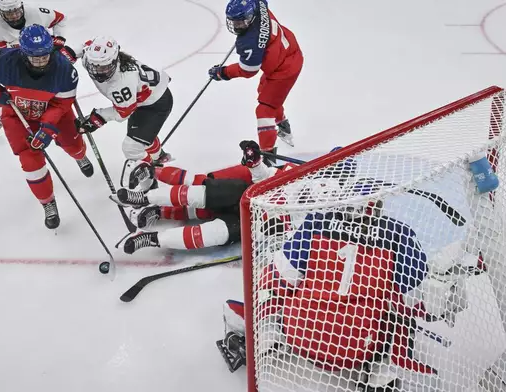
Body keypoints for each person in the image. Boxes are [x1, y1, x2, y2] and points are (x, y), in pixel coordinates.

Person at [216, 181, 474, 390]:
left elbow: (283, 277)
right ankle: (381, 371)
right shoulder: (400, 234)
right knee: (401, 314)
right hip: (360, 346)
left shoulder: (315, 222)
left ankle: (266, 334)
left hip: (299, 335)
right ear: (377, 207)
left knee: (272, 284)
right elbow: (413, 298)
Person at [110, 140, 340, 254]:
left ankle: (153, 237)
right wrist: (255, 162)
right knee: (202, 187)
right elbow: (265, 177)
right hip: (243, 194)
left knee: (213, 233)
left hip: (250, 223)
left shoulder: (316, 221)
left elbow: (285, 245)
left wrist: (268, 233)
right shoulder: (296, 175)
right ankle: (146, 195)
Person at [0, 24, 93, 230]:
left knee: (72, 142)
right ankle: (48, 202)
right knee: (30, 160)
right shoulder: (4, 61)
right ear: (23, 52)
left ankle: (79, 156)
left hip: (52, 111)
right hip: (17, 114)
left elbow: (62, 105)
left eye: (44, 55)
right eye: (34, 57)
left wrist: (47, 128)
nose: (40, 61)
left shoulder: (65, 71)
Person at [208, 0, 303, 151]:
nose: (236, 26)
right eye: (234, 22)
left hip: (285, 69)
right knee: (265, 94)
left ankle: (268, 154)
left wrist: (223, 72)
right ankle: (283, 125)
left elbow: (248, 70)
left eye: (241, 22)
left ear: (251, 17)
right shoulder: (257, 4)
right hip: (287, 52)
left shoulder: (250, 42)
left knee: (264, 109)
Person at [77, 36, 174, 167]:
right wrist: (68, 53)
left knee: (132, 147)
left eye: (104, 67)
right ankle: (158, 156)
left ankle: (152, 174)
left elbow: (123, 113)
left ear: (114, 61)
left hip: (155, 103)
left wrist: (99, 117)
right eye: (94, 65)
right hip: (141, 98)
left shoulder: (122, 82)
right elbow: (84, 46)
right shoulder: (92, 58)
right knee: (141, 137)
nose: (97, 71)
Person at [0, 0, 74, 139]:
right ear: (0, 11)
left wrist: (59, 40)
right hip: (17, 65)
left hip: (45, 59)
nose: (14, 16)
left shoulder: (36, 13)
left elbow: (60, 19)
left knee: (57, 91)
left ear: (22, 6)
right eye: (9, 13)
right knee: (5, 94)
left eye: (17, 11)